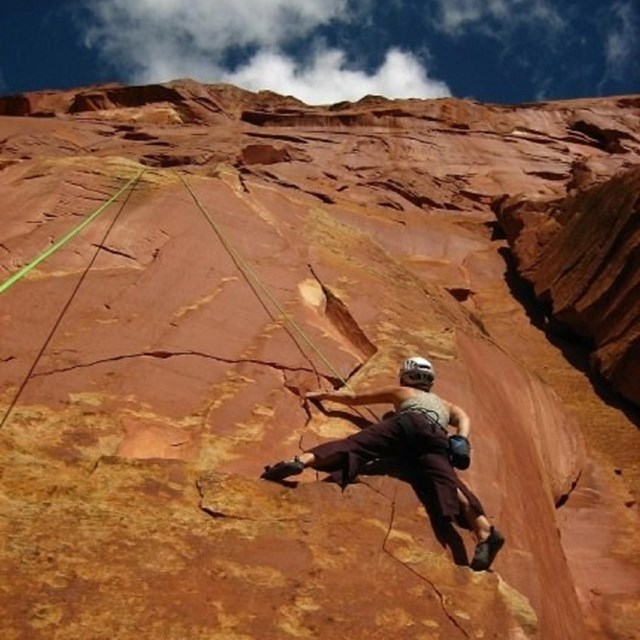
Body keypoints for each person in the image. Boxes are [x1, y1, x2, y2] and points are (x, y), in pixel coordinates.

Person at [261, 356, 505, 571]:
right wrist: (461, 437)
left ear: (405, 377)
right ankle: (484, 531)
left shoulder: (403, 392)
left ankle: (299, 461)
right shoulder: (446, 405)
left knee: (356, 445)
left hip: (408, 424)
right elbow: (464, 417)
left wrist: (324, 395)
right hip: (435, 437)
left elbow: (354, 398)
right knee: (448, 482)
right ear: (430, 381)